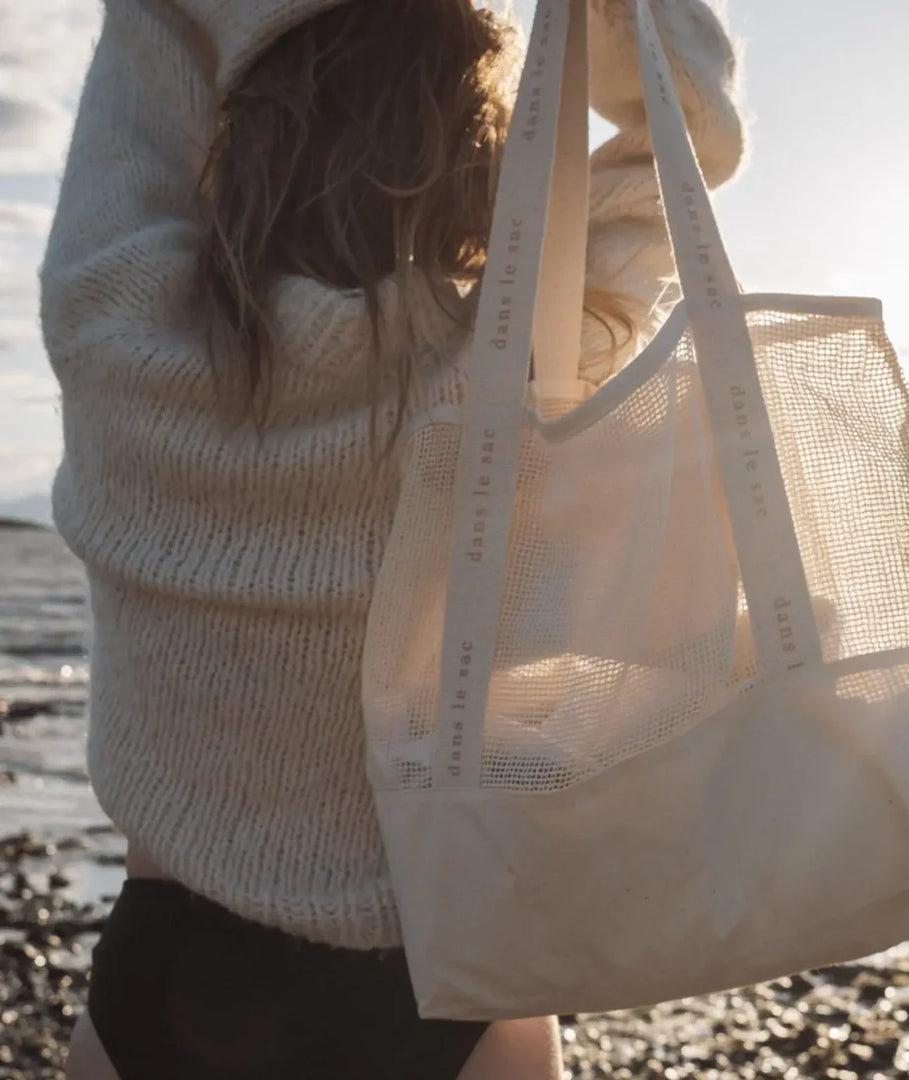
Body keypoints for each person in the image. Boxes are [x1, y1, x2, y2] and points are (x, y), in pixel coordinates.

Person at [43, 0, 744, 1076]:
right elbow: (683, 129)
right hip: (449, 987)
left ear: (242, 133)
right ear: (480, 148)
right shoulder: (537, 369)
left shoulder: (119, 338)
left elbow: (152, 36)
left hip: (170, 975)